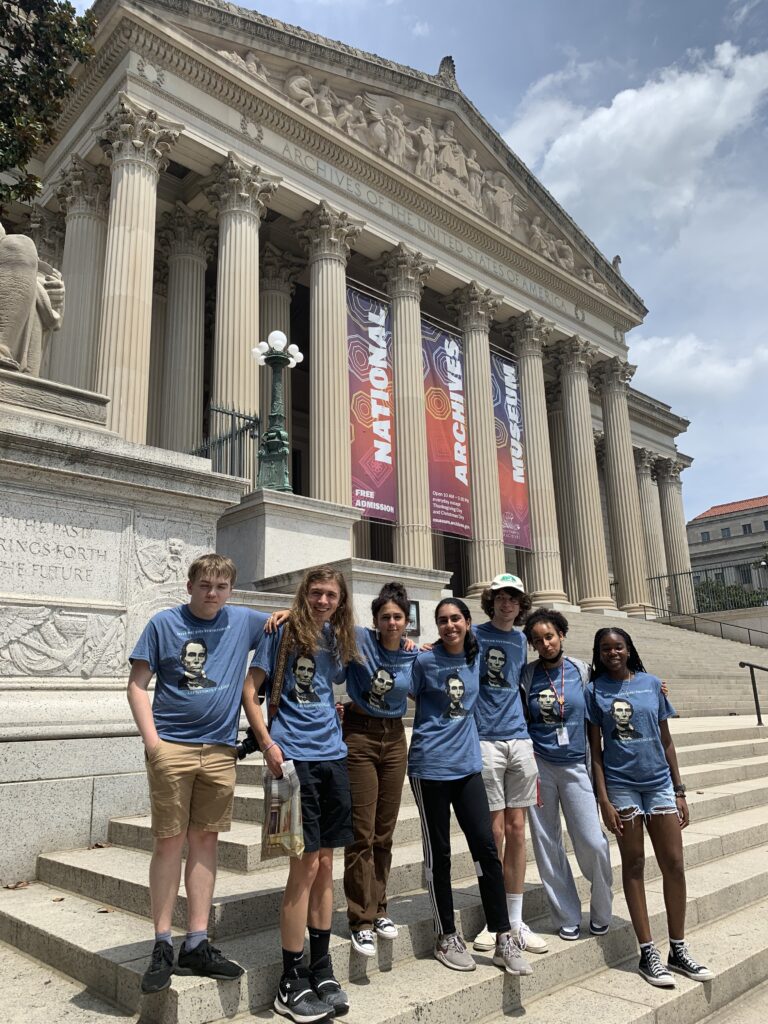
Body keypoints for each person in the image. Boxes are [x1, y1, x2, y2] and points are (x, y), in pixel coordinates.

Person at [127, 554, 275, 995]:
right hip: (171, 747)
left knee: (206, 841)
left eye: (221, 586)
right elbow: (137, 684)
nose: (212, 593)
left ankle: (196, 941)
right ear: (189, 585)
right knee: (169, 842)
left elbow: (292, 623)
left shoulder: (243, 620)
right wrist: (153, 744)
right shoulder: (163, 624)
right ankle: (160, 943)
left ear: (231, 589)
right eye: (205, 585)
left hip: (219, 751)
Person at [242, 566, 358, 1023]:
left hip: (333, 756)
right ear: (303, 594)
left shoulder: (339, 637)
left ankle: (322, 966)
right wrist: (268, 743)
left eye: (331, 593)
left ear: (340, 599)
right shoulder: (281, 630)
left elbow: (387, 647)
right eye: (316, 592)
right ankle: (290, 979)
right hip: (291, 760)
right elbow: (250, 691)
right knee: (302, 864)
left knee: (327, 863)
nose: (323, 600)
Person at [408, 598, 532, 976]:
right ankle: (446, 934)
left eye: (455, 619)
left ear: (468, 623)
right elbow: (402, 689)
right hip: (430, 767)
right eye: (442, 620)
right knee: (440, 853)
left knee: (485, 847)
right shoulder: (425, 661)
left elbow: (516, 668)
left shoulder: (477, 658)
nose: (449, 626)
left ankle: (503, 936)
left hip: (468, 767)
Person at [587, 628, 714, 987]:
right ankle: (647, 952)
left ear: (629, 649)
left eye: (618, 646)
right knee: (635, 864)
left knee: (674, 864)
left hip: (658, 783)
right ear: (598, 653)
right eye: (606, 648)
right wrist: (604, 799)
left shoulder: (652, 684)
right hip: (622, 786)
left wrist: (680, 789)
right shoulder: (594, 691)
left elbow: (667, 740)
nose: (613, 652)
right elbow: (594, 752)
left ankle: (678, 948)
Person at [520, 610, 613, 943]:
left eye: (550, 636)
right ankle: (567, 915)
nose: (545, 644)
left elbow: (618, 680)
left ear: (561, 634)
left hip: (577, 766)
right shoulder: (526, 676)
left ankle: (602, 909)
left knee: (593, 841)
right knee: (547, 845)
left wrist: (653, 684)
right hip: (540, 766)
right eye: (538, 640)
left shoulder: (582, 671)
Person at [471, 574, 548, 956]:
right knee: (494, 832)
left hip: (519, 739)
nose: (506, 604)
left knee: (518, 829)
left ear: (521, 606)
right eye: (500, 597)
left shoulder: (522, 641)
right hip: (484, 740)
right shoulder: (473, 634)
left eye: (513, 599)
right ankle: (495, 919)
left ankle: (515, 920)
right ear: (491, 601)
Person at [342, 581, 417, 958]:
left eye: (397, 617)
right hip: (360, 736)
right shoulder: (358, 641)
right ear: (375, 620)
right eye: (385, 616)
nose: (391, 622)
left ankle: (380, 907)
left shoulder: (411, 656)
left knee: (384, 832)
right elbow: (324, 622)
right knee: (362, 831)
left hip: (394, 738)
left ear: (407, 622)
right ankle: (360, 919)